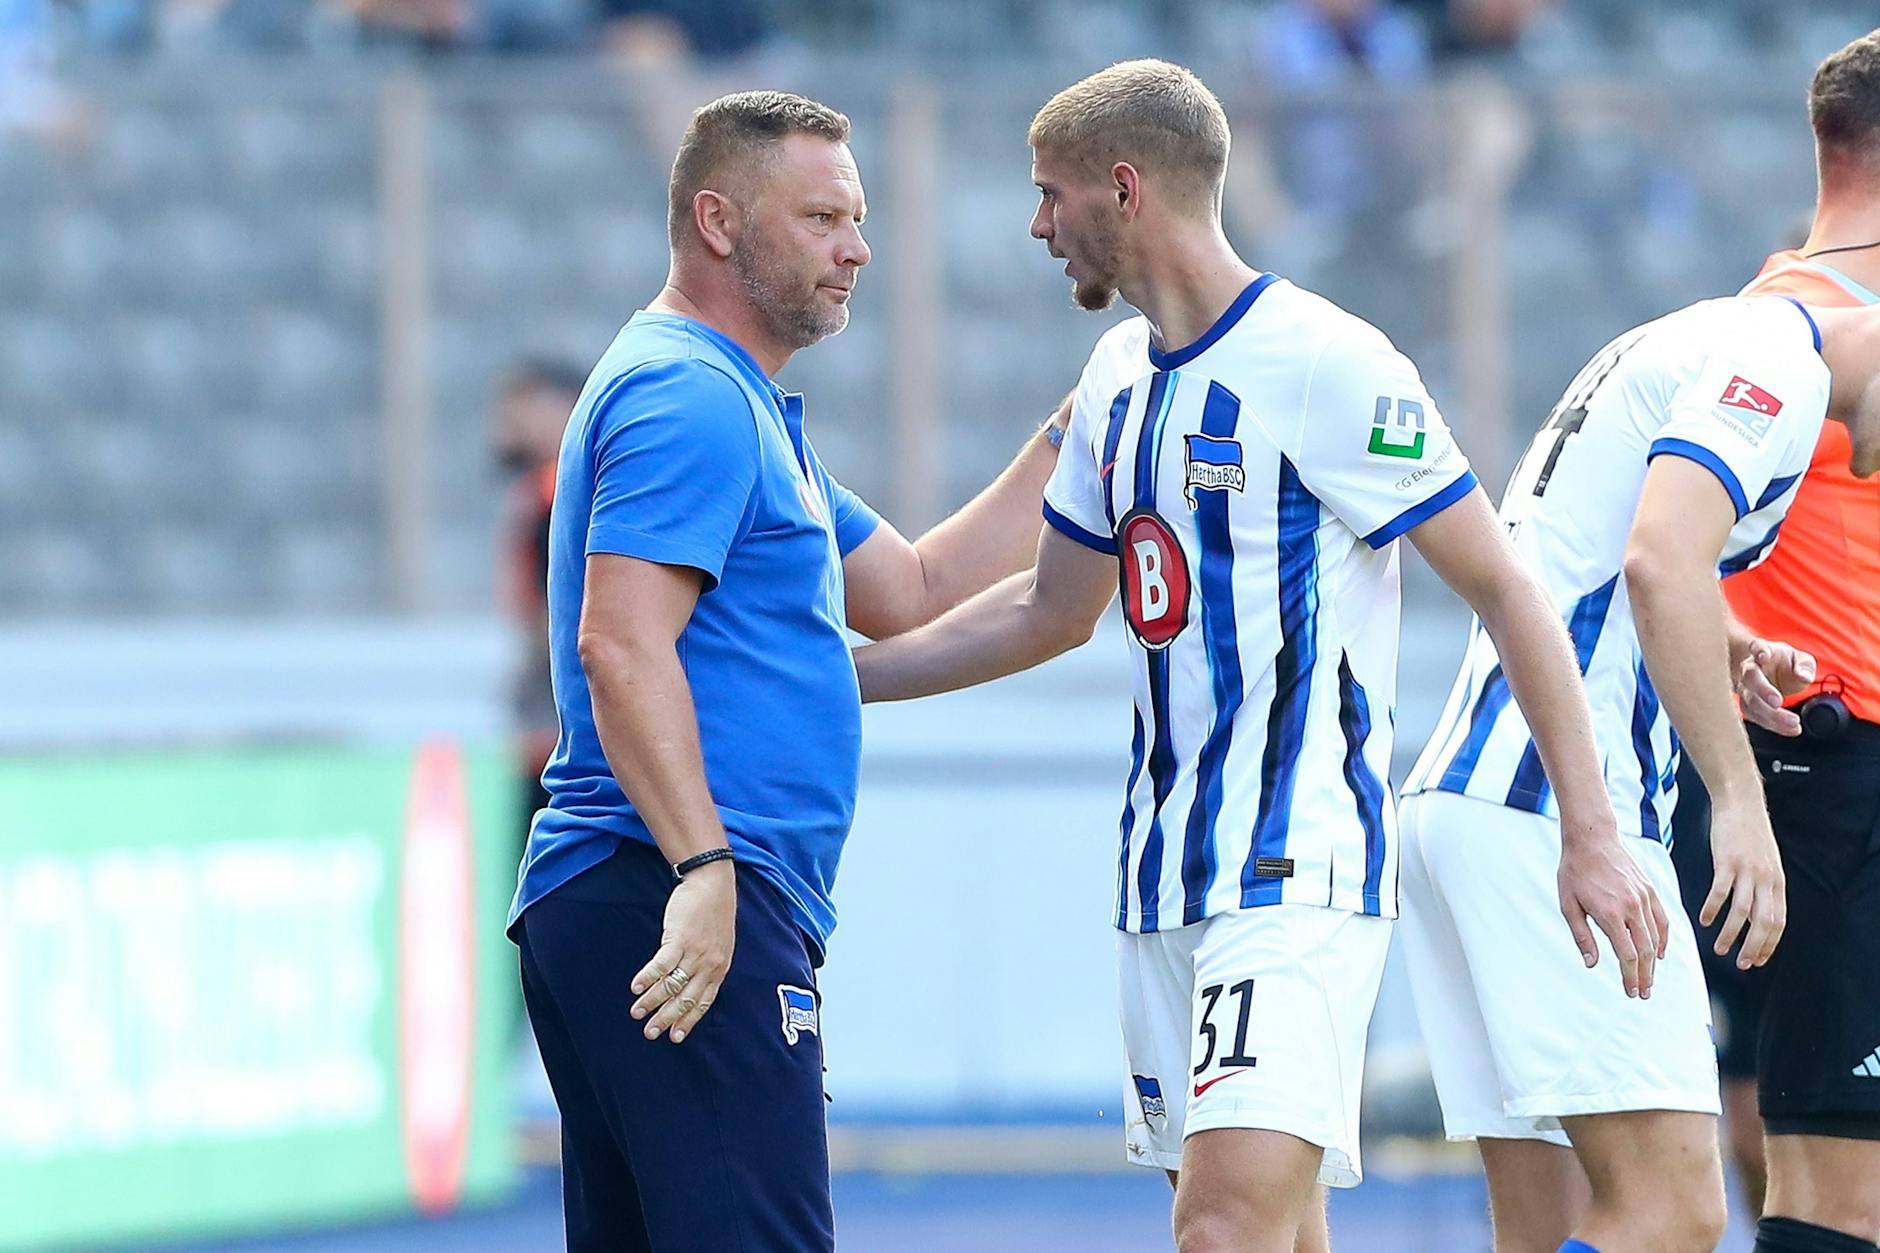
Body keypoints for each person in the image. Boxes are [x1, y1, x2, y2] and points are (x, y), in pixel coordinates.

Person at [853, 59, 1662, 1253]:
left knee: (1220, 1228)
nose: (1036, 226)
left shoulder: (1328, 361)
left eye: (1048, 194)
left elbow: (1506, 588)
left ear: (1122, 188)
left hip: (1295, 870)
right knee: (1275, 1231)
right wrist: (840, 682)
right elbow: (1045, 608)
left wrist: (1587, 832)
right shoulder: (1112, 379)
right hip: (1159, 875)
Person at [507, 91, 1072, 1252]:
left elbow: (911, 587)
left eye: (856, 219)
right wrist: (702, 865)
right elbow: (618, 642)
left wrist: (1080, 428)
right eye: (821, 218)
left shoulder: (740, 404)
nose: (855, 247)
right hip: (667, 884)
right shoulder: (689, 394)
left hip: (636, 889)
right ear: (717, 221)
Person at [1398, 285, 1880, 1252]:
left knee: (1549, 1227)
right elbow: (1659, 561)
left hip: (1470, 801)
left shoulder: (1695, 336)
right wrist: (1739, 797)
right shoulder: (1777, 363)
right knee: (1675, 1209)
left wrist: (1728, 648)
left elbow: (1611, 553)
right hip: (1561, 809)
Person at [1722, 29, 1880, 1253]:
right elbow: (1659, 548)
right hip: (1832, 771)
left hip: (1834, 775)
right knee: (1832, 1187)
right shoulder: (1793, 332)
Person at [492, 357, 586, 873]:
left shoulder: (565, 494)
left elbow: (558, 615)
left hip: (565, 736)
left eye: (523, 408)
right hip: (547, 725)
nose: (506, 423)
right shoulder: (536, 495)